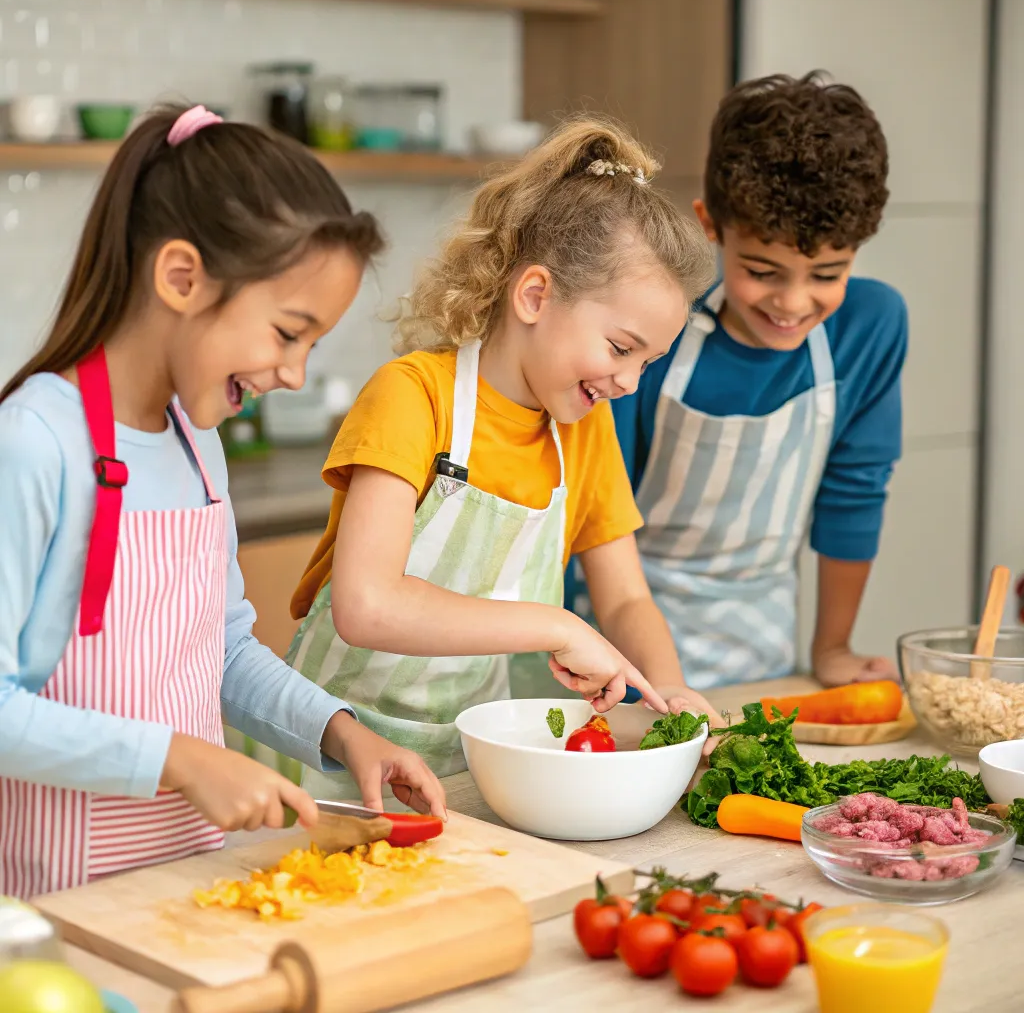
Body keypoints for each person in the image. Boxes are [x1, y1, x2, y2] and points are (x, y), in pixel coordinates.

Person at [0, 104, 445, 900]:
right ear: (181, 277)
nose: (295, 374)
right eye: (286, 332)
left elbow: (224, 652)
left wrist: (344, 736)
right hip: (57, 897)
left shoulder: (197, 444)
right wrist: (178, 758)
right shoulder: (35, 440)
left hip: (189, 877)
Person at [287, 118, 724, 802]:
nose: (630, 382)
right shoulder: (412, 397)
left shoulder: (581, 428)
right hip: (328, 758)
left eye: (649, 361)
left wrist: (667, 691)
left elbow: (627, 594)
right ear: (534, 296)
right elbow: (366, 606)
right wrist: (557, 625)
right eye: (619, 348)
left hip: (464, 763)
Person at [589, 72, 906, 691]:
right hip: (615, 646)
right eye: (763, 271)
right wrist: (657, 687)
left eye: (827, 274)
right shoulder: (655, 329)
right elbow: (601, 510)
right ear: (711, 225)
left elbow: (855, 493)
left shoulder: (870, 327)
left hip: (765, 655)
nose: (793, 302)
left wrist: (833, 649)